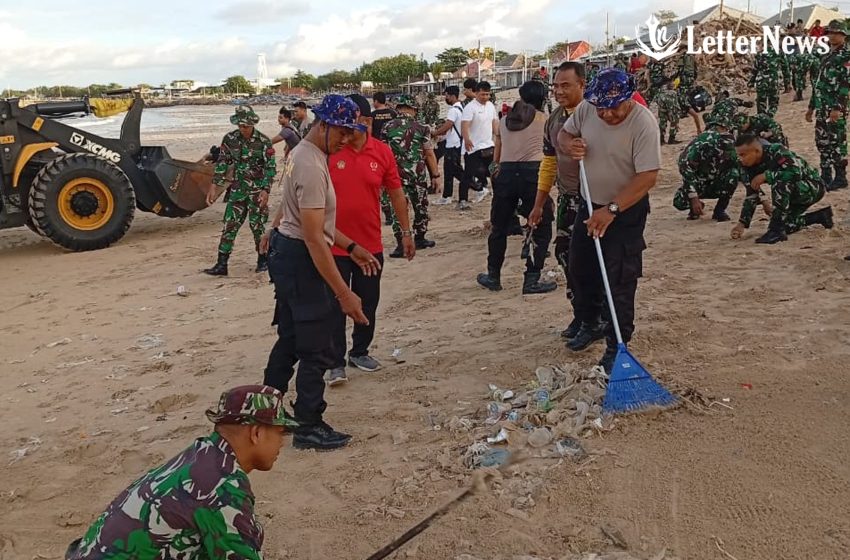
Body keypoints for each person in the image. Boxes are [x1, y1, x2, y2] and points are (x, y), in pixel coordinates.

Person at [262, 94, 378, 451]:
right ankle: (308, 424)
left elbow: (312, 222)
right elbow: (314, 238)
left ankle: (267, 411)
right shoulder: (312, 166)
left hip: (288, 250)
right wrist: (344, 294)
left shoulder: (306, 155)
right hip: (300, 256)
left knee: (291, 338)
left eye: (351, 133)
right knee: (318, 344)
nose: (346, 140)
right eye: (342, 133)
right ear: (323, 125)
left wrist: (354, 247)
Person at [65, 385, 296, 559]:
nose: (282, 443)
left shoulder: (203, 453)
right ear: (256, 433)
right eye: (280, 433)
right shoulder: (221, 485)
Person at [557, 68, 661, 371]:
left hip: (625, 211)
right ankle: (590, 322)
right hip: (591, 204)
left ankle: (618, 343)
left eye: (614, 107)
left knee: (619, 278)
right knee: (579, 266)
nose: (608, 114)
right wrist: (569, 145)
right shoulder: (589, 108)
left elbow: (648, 177)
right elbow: (564, 133)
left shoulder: (644, 123)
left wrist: (612, 210)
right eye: (602, 107)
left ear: (629, 98)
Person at [325, 94, 415, 386]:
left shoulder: (382, 152)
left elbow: (396, 193)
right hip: (334, 244)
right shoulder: (329, 152)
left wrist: (406, 232)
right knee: (336, 303)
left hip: (370, 243)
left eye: (352, 122)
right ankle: (335, 361)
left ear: (365, 121)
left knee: (367, 302)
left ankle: (360, 351)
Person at [476, 80, 557, 295]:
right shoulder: (546, 120)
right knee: (541, 224)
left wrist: (495, 173)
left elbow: (497, 155)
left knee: (499, 227)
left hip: (506, 174)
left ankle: (493, 275)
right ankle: (532, 278)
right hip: (534, 173)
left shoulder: (504, 120)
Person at [530, 61, 586, 341]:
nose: (559, 91)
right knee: (565, 255)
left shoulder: (594, 117)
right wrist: (539, 204)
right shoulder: (553, 120)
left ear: (582, 86)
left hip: (594, 199)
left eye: (566, 85)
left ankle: (595, 317)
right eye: (555, 86)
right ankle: (581, 312)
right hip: (567, 198)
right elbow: (549, 164)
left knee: (590, 261)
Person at [203, 105, 276, 277]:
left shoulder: (264, 142)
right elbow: (222, 162)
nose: (243, 129)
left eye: (246, 126)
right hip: (237, 191)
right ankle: (222, 264)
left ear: (252, 124)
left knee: (257, 226)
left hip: (257, 192)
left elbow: (270, 168)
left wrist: (266, 190)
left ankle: (263, 260)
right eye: (240, 125)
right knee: (229, 225)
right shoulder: (230, 139)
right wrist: (214, 186)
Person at [732, 134, 833, 244]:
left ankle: (776, 230)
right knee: (787, 225)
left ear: (756, 151)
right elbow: (752, 192)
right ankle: (820, 216)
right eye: (738, 155)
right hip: (790, 194)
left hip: (813, 188)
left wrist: (767, 176)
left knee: (780, 183)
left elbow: (795, 173)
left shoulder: (777, 151)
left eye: (743, 155)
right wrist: (742, 223)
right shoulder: (745, 166)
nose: (740, 159)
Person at [382, 95, 440, 254]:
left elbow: (383, 154)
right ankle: (420, 238)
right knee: (420, 206)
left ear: (398, 108)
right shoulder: (423, 127)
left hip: (395, 176)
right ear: (413, 109)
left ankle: (401, 244)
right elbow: (429, 153)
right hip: (418, 175)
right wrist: (435, 176)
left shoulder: (387, 127)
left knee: (398, 209)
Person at [806, 19, 850, 191]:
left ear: (843, 35)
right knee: (822, 141)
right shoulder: (827, 56)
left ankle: (840, 177)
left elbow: (847, 84)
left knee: (837, 141)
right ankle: (825, 175)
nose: (832, 35)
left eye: (835, 32)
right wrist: (811, 108)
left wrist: (838, 107)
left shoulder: (846, 56)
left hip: (835, 108)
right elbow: (819, 84)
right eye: (830, 32)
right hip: (821, 107)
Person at [673, 112, 740, 222]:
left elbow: (741, 167)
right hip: (699, 183)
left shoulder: (728, 141)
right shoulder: (703, 142)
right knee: (679, 202)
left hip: (717, 182)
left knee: (733, 174)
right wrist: (693, 197)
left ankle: (719, 211)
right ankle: (696, 207)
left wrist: (761, 197)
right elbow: (685, 164)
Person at [460, 80, 498, 210]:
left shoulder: (491, 106)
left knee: (494, 171)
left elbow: (495, 123)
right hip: (474, 146)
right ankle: (463, 200)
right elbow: (464, 125)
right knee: (468, 174)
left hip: (488, 145)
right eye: (483, 94)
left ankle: (495, 194)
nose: (485, 97)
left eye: (487, 94)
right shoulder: (470, 107)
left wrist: (498, 137)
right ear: (476, 93)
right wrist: (466, 139)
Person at [431, 85, 465, 205]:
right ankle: (447, 196)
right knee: (450, 171)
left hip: (452, 145)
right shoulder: (461, 108)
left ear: (451, 96)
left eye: (446, 95)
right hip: (456, 143)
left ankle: (478, 187)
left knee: (454, 171)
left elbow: (448, 125)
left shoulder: (453, 110)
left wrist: (435, 133)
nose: (445, 98)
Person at [749, 50, 781, 117]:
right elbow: (785, 66)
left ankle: (761, 119)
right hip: (773, 81)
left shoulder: (760, 54)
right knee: (773, 103)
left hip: (761, 82)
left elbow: (754, 70)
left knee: (761, 103)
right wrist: (788, 82)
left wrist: (750, 84)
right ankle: (769, 117)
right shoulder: (778, 52)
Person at [655, 77, 682, 145]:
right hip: (671, 110)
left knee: (662, 124)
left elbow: (656, 99)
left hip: (662, 110)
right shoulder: (671, 93)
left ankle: (661, 140)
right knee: (674, 122)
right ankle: (671, 139)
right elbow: (672, 107)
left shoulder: (660, 90)